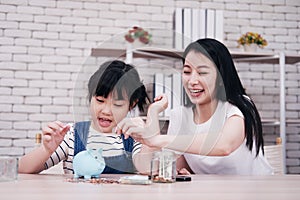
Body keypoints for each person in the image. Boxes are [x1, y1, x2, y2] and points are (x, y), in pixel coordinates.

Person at [117, 38, 273, 175]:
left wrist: (158, 139)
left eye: (202, 73)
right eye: (187, 71)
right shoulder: (180, 116)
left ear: (221, 77)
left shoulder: (240, 106)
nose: (192, 81)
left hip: (256, 190)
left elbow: (224, 145)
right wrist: (153, 112)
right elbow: (153, 169)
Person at [18, 60, 151, 174]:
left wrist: (147, 137)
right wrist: (46, 150)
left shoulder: (134, 137)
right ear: (91, 96)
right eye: (100, 100)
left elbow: (148, 169)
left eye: (117, 104)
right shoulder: (71, 135)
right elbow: (22, 169)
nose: (106, 111)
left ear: (131, 105)